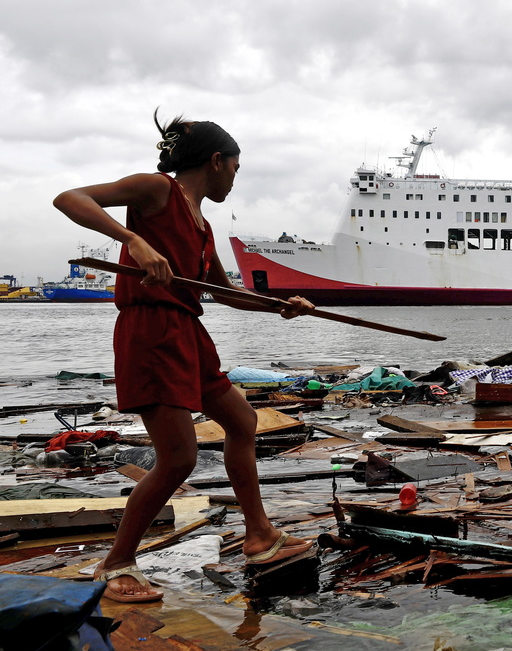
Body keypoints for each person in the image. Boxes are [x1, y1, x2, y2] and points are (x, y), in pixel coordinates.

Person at [53, 112, 317, 603]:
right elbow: (69, 198)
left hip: (188, 332)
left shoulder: (203, 225)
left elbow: (225, 292)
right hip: (150, 331)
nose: (236, 179)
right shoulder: (156, 189)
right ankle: (116, 564)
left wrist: (283, 305)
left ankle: (259, 538)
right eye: (235, 169)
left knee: (241, 421)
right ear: (216, 162)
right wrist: (133, 240)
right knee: (178, 458)